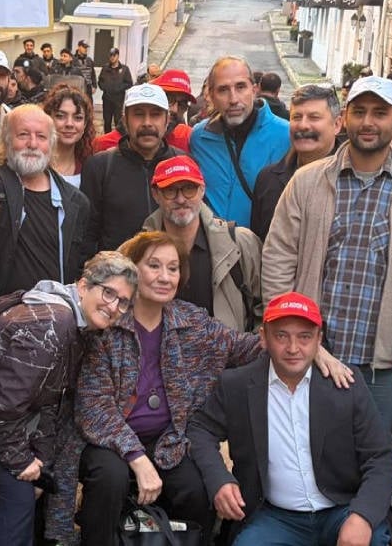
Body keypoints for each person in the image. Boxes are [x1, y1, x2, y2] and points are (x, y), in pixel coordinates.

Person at [0, 251, 139, 545]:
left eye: (122, 301)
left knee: (16, 493)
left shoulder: (79, 324)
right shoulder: (54, 321)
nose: (113, 306)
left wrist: (41, 462)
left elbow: (47, 399)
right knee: (15, 496)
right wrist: (21, 462)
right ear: (85, 286)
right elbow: (7, 407)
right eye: (108, 292)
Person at [263, 75, 392, 426]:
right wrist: (289, 335)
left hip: (379, 361)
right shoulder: (308, 181)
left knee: (370, 458)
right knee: (298, 452)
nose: (368, 122)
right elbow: (279, 257)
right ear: (345, 117)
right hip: (308, 352)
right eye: (359, 112)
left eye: (379, 113)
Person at [74, 232, 263, 545]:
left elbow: (243, 347)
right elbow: (94, 407)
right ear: (133, 270)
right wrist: (136, 456)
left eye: (173, 268)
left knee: (196, 486)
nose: (164, 276)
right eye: (154, 266)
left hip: (169, 439)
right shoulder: (108, 321)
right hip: (111, 442)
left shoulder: (192, 322)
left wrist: (297, 343)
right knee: (110, 478)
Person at [187, 292, 392, 546]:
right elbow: (200, 429)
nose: (293, 348)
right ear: (264, 337)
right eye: (281, 336)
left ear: (318, 340)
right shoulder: (237, 385)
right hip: (275, 517)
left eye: (304, 337)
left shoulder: (345, 384)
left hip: (341, 508)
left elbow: (382, 458)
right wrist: (219, 480)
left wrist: (362, 516)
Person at [142, 156, 263, 331]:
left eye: (189, 189)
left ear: (202, 190)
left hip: (230, 356)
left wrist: (250, 351)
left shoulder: (241, 243)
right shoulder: (137, 252)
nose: (181, 199)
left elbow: (267, 305)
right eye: (170, 190)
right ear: (156, 194)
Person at [0, 105, 92, 294]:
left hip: (55, 315)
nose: (33, 144)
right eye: (23, 135)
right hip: (0, 313)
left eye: (41, 136)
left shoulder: (75, 203)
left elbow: (80, 265)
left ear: (52, 144)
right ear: (6, 140)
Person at [191, 56, 291, 228]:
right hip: (213, 249)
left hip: (262, 248)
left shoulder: (286, 135)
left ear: (254, 90)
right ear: (211, 96)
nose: (233, 99)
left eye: (240, 87)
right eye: (223, 90)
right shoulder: (200, 138)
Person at [82, 84, 182, 252]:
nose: (147, 123)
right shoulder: (99, 167)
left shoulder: (182, 165)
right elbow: (87, 235)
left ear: (167, 120)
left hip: (169, 275)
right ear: (125, 120)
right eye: (138, 114)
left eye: (155, 115)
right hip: (116, 275)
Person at [250, 83, 342, 241]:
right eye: (296, 117)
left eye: (314, 117)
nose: (303, 125)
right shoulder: (268, 180)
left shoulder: (352, 180)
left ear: (337, 124)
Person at [94, 70, 194, 153]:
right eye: (168, 99)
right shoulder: (103, 146)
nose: (174, 110)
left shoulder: (188, 138)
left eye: (183, 104)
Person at [42, 83, 95, 188]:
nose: (69, 124)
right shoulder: (33, 164)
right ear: (48, 119)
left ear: (85, 125)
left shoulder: (91, 169)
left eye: (78, 118)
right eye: (60, 116)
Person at [98, 47, 134, 132]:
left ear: (117, 56)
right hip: (107, 99)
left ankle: (117, 139)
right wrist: (104, 87)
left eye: (114, 55)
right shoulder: (105, 68)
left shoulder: (124, 69)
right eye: (110, 55)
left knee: (118, 121)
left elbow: (129, 83)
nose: (112, 57)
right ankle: (107, 139)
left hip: (118, 100)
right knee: (107, 121)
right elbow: (100, 81)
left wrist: (119, 88)